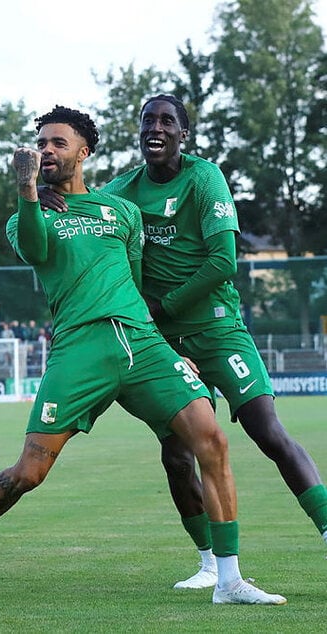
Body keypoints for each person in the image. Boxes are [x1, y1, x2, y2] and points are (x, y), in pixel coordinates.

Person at [0, 106, 285, 605]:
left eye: (58, 143)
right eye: (41, 143)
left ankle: (227, 580)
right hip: (81, 349)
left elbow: (136, 280)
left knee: (213, 441)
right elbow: (33, 250)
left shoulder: (121, 212)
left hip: (142, 342)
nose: (47, 151)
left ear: (84, 151)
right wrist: (27, 192)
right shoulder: (28, 215)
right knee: (28, 472)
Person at [100, 94, 327, 588]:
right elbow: (82, 211)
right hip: (162, 343)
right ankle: (210, 565)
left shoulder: (204, 178)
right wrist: (49, 196)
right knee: (177, 456)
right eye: (147, 120)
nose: (154, 127)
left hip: (219, 328)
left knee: (268, 431)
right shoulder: (120, 191)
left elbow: (224, 262)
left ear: (184, 134)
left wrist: (162, 306)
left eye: (166, 121)